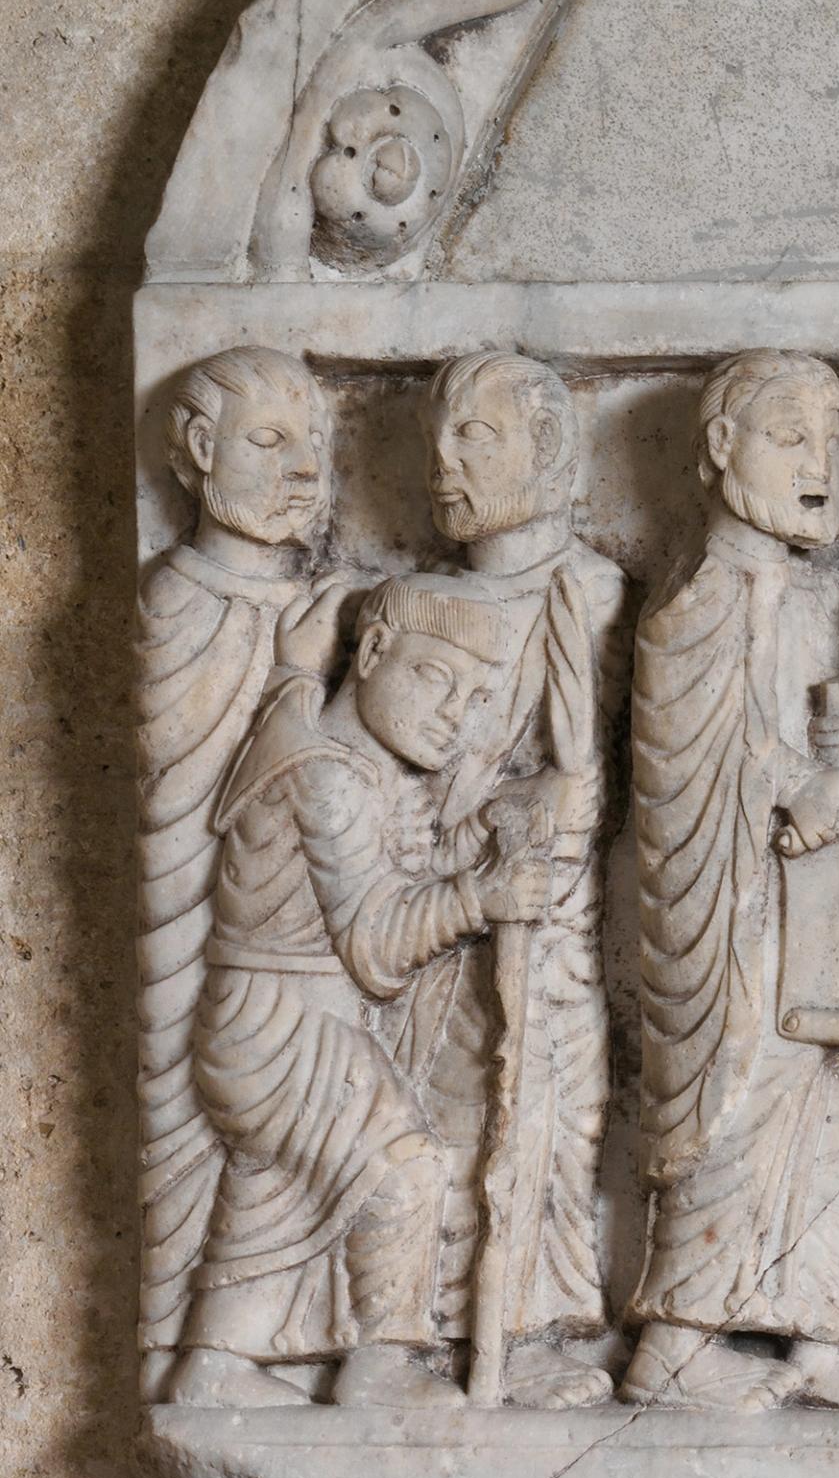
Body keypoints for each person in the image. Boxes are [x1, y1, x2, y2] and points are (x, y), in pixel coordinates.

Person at [169, 596, 575, 1406]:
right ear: (374, 649)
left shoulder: (339, 754)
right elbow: (375, 938)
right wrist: (482, 897)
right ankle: (380, 1363)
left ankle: (213, 1369)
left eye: (473, 699)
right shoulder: (327, 779)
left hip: (275, 1020)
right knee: (403, 1164)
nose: (451, 716)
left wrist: (491, 829)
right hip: (284, 1024)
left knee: (276, 1190)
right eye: (434, 678)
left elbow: (402, 872)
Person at [622, 351, 839, 1411]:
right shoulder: (704, 592)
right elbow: (690, 742)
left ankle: (817, 1332)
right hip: (730, 907)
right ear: (717, 450)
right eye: (790, 435)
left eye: (832, 439)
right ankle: (674, 1343)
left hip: (810, 902)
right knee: (732, 1097)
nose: (819, 459)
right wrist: (790, 787)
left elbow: (807, 733)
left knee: (824, 1091)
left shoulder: (807, 592)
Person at [367, 350, 622, 1406]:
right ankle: (426, 1326)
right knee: (455, 1107)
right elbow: (381, 779)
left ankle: (537, 1324)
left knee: (561, 1111)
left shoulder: (594, 591)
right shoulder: (409, 604)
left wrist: (573, 798)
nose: (444, 459)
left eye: (476, 433)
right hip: (444, 907)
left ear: (552, 450)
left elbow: (628, 761)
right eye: (436, 435)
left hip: (564, 918)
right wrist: (493, 818)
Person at [139, 347, 351, 1386]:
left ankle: (288, 1338)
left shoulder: (321, 605)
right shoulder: (175, 600)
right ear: (193, 450)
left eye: (316, 444)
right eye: (270, 441)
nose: (305, 469)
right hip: (199, 941)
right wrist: (297, 677)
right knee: (192, 1118)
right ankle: (190, 1340)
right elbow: (199, 798)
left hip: (316, 946)